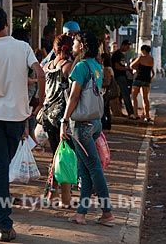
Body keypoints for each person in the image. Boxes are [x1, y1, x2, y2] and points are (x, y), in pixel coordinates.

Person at [0, 5, 45, 242]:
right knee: (0, 170)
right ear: (7, 23)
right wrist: (40, 100)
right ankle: (2, 224)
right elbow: (40, 73)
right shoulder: (23, 47)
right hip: (17, 116)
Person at [60, 31, 114, 226]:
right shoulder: (96, 66)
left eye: (75, 42)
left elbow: (74, 97)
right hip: (95, 123)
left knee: (93, 169)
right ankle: (81, 213)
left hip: (81, 125)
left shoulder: (82, 66)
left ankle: (107, 212)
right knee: (85, 171)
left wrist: (64, 121)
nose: (72, 45)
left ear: (82, 45)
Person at [41, 34, 74, 208]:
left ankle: (51, 195)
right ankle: (66, 199)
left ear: (54, 49)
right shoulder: (68, 67)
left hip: (47, 116)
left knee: (55, 156)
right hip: (62, 118)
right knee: (65, 158)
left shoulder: (47, 66)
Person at [111, 39, 136, 119]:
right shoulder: (117, 54)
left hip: (122, 76)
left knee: (121, 95)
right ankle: (131, 113)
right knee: (125, 95)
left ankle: (119, 112)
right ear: (123, 45)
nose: (128, 48)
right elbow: (117, 67)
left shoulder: (121, 55)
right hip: (119, 77)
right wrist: (128, 69)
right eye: (127, 46)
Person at [130, 45, 155, 122]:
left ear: (143, 50)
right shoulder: (151, 59)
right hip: (147, 79)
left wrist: (136, 64)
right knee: (145, 98)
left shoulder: (141, 58)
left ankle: (136, 114)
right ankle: (147, 115)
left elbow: (131, 66)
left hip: (138, 78)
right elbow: (151, 70)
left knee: (134, 97)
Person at [100, 53, 114, 133]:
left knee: (104, 110)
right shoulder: (107, 68)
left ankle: (106, 126)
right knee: (105, 109)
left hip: (104, 92)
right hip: (104, 92)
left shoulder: (107, 69)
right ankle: (106, 126)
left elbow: (107, 82)